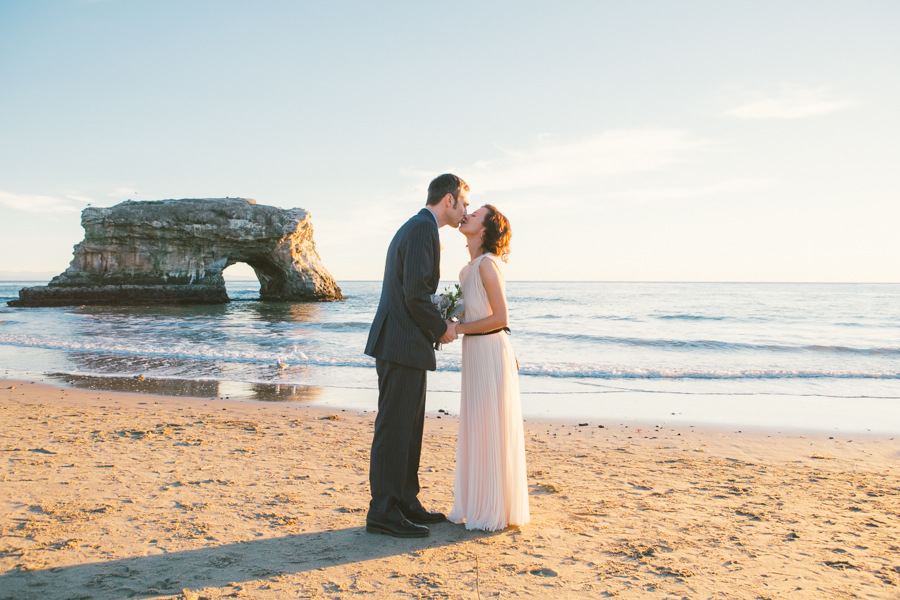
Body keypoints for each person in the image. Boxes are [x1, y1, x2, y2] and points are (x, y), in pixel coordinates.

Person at [363, 173, 469, 538]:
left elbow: (414, 293)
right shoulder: (424, 229)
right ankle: (383, 510)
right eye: (464, 203)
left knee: (408, 428)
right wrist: (442, 328)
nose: (465, 211)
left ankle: (406, 501)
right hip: (400, 343)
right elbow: (414, 295)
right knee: (395, 428)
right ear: (450, 200)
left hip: (403, 342)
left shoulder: (418, 226)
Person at [447, 204, 530, 531]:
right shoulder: (466, 270)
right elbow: (474, 314)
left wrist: (458, 329)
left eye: (476, 214)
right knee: (476, 426)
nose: (467, 214)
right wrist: (451, 322)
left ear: (484, 229)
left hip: (491, 353)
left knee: (490, 426)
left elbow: (500, 319)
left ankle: (494, 508)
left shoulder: (486, 265)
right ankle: (477, 502)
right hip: (475, 353)